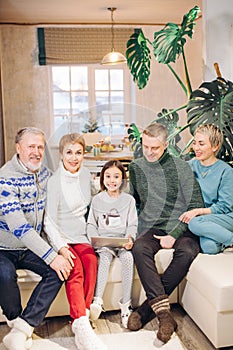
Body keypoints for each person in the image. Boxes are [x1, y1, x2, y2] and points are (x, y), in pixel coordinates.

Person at [127, 123, 204, 345]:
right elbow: (135, 204)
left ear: (166, 145)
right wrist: (134, 231)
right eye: (146, 146)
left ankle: (144, 311)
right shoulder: (136, 168)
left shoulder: (181, 168)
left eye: (155, 148)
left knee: (188, 250)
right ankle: (165, 316)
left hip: (181, 226)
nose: (149, 152)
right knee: (139, 247)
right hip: (153, 227)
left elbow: (195, 204)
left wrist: (175, 233)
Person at [0, 127, 72, 350]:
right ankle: (15, 320)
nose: (36, 152)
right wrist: (51, 255)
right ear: (18, 148)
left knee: (59, 270)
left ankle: (22, 328)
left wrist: (61, 248)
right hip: (4, 246)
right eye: (31, 146)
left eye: (40, 147)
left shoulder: (44, 174)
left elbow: (49, 216)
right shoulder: (5, 179)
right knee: (4, 273)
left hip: (31, 245)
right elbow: (19, 228)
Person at [44, 132, 106, 350]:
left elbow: (97, 196)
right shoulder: (53, 182)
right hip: (60, 236)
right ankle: (81, 323)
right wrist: (60, 247)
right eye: (69, 152)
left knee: (90, 261)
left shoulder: (85, 174)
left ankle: (82, 317)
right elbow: (48, 221)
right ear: (61, 155)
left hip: (80, 235)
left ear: (84, 155)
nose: (73, 157)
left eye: (78, 153)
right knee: (76, 268)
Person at [87, 160, 138, 328]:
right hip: (104, 243)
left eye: (116, 176)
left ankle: (126, 305)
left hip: (122, 242)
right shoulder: (97, 200)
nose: (112, 180)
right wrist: (94, 239)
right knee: (105, 259)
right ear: (102, 179)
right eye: (108, 176)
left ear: (123, 179)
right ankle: (98, 300)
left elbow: (132, 224)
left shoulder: (128, 200)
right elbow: (91, 224)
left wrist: (130, 238)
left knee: (128, 259)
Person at [179, 124, 233, 254]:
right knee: (209, 247)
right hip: (204, 221)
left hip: (225, 217)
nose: (196, 148)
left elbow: (225, 206)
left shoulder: (226, 171)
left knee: (194, 223)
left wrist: (197, 211)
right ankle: (222, 240)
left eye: (201, 144)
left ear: (215, 147)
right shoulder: (189, 166)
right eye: (195, 143)